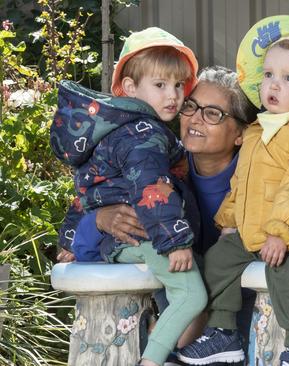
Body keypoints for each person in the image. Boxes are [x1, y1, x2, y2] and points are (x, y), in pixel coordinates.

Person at [59, 65, 289, 365]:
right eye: (191, 107)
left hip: (258, 340)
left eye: (212, 113)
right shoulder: (153, 178)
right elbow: (83, 254)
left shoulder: (273, 179)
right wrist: (98, 221)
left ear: (242, 134)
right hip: (174, 346)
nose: (195, 119)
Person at [177, 15, 289, 366]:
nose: (274, 85)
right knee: (218, 259)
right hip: (261, 228)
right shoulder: (259, 132)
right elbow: (243, 183)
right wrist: (230, 220)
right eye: (269, 75)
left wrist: (281, 234)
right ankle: (223, 333)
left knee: (288, 270)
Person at [50, 27, 207, 366]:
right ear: (130, 88)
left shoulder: (114, 133)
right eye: (161, 85)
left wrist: (69, 238)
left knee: (176, 294)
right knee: (191, 295)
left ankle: (157, 345)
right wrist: (174, 241)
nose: (174, 95)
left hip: (124, 239)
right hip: (146, 235)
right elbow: (152, 189)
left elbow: (86, 191)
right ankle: (151, 361)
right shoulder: (145, 134)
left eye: (179, 85)